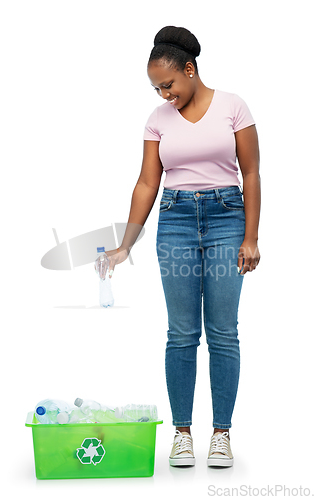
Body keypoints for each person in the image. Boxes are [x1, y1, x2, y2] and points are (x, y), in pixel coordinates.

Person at [106, 26, 261, 468]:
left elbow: (250, 173)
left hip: (227, 219)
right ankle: (181, 434)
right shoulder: (157, 119)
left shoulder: (234, 107)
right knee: (181, 333)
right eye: (157, 88)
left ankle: (221, 434)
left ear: (190, 70)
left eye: (168, 84)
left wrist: (251, 236)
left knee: (223, 331)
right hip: (174, 221)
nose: (164, 94)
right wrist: (124, 244)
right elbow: (147, 182)